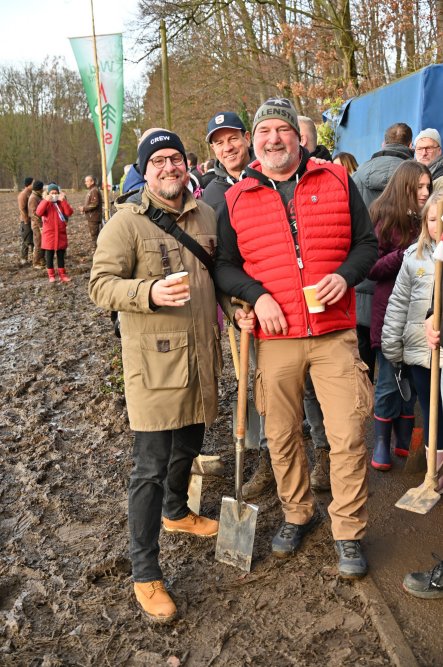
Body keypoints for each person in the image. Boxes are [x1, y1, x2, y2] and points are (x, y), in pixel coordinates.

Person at [215, 97, 377, 578]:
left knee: (348, 434)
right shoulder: (236, 198)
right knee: (283, 434)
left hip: (334, 333)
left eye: (282, 129)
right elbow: (224, 266)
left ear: (297, 136)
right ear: (254, 141)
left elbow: (367, 244)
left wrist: (345, 276)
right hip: (277, 335)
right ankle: (298, 513)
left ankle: (348, 531)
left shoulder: (337, 180)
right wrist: (256, 296)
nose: (274, 139)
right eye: (264, 131)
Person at [89, 129, 238, 623]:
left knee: (191, 442)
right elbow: (100, 286)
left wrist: (235, 306)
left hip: (201, 357)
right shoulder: (125, 223)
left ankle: (177, 512)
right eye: (159, 161)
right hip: (154, 367)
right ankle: (145, 572)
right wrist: (148, 293)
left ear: (186, 164)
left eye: (176, 158)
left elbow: (215, 274)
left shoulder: (207, 215)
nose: (170, 167)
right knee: (149, 467)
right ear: (144, 170)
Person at [368, 161, 432, 470]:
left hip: (420, 315)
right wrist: (404, 253)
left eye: (428, 186)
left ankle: (404, 438)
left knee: (413, 382)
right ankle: (381, 443)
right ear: (404, 186)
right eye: (419, 187)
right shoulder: (385, 219)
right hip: (390, 315)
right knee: (388, 382)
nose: (425, 192)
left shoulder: (429, 218)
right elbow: (372, 268)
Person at [381, 193, 443, 481]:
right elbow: (399, 303)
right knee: (430, 411)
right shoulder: (413, 256)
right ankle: (434, 470)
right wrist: (392, 346)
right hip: (420, 351)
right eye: (432, 219)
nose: (438, 225)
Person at [352, 123, 414, 383]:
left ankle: (366, 404)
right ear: (410, 145)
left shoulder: (357, 175)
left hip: (361, 278)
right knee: (394, 368)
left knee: (363, 362)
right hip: (395, 285)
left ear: (383, 143)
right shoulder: (412, 176)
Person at [202, 112, 254, 217]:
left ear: (247, 139)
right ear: (213, 148)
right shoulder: (209, 194)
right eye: (219, 143)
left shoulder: (271, 175)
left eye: (233, 138)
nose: (227, 148)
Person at [36, 183, 73, 283]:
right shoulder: (45, 202)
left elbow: (69, 212)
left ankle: (62, 275)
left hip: (60, 234)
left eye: (56, 193)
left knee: (61, 256)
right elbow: (38, 212)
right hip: (49, 234)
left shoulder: (61, 203)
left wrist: (63, 201)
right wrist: (46, 201)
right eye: (52, 193)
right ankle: (51, 275)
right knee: (49, 256)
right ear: (48, 193)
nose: (54, 195)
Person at [79, 175, 103, 252]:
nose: (85, 183)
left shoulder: (94, 191)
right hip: (92, 217)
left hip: (94, 217)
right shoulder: (92, 190)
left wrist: (84, 208)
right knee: (94, 236)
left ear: (92, 181)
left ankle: (97, 252)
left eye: (87, 181)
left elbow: (95, 204)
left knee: (95, 236)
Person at [28, 180, 45, 269]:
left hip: (41, 224)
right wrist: (41, 226)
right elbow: (34, 214)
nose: (43, 190)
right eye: (42, 188)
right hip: (36, 225)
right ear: (39, 188)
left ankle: (41, 259)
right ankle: (36, 263)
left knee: (42, 243)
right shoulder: (33, 198)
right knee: (38, 243)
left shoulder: (38, 196)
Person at [17, 177, 34, 265]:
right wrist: (26, 221)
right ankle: (24, 259)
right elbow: (22, 209)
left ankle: (34, 257)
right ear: (29, 184)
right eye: (33, 183)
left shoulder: (31, 193)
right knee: (26, 240)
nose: (34, 184)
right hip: (26, 221)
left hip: (32, 220)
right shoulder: (23, 194)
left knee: (33, 240)